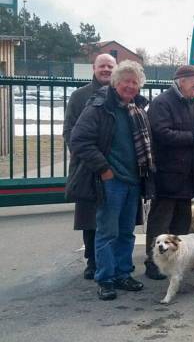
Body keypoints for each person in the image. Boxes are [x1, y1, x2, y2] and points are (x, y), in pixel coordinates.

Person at [67, 61, 154, 300]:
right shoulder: (99, 106)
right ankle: (105, 278)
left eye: (134, 82)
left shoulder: (136, 109)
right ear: (116, 83)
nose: (130, 85)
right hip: (110, 181)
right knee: (107, 233)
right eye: (125, 80)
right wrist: (104, 169)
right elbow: (79, 140)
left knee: (127, 232)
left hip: (133, 180)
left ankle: (123, 273)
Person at [145, 65, 194, 280]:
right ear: (181, 81)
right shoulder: (162, 103)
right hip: (167, 173)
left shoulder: (193, 103)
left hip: (187, 174)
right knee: (161, 220)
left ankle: (176, 260)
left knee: (182, 221)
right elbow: (162, 134)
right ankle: (153, 262)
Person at [63, 53, 116, 280]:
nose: (106, 69)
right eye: (101, 66)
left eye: (110, 66)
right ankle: (93, 261)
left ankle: (112, 260)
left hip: (117, 166)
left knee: (115, 216)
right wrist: (88, 159)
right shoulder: (80, 96)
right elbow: (69, 131)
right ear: (93, 68)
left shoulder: (123, 92)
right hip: (89, 167)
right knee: (91, 218)